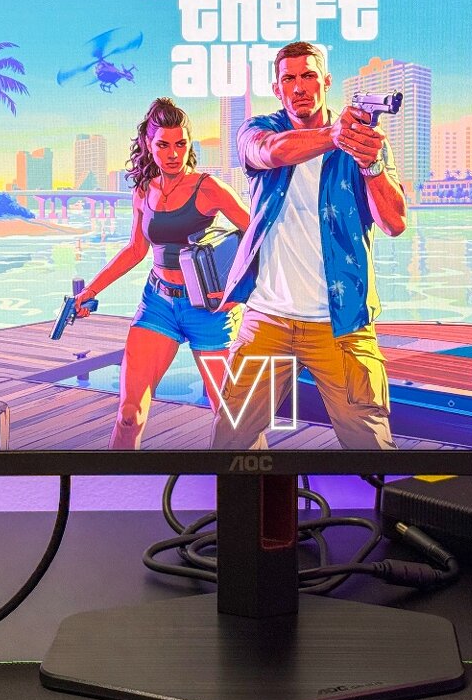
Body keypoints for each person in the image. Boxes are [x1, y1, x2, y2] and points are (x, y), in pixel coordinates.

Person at [210, 42, 407, 450]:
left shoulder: (365, 141)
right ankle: (258, 495)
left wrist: (370, 163)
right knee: (229, 445)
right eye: (289, 78)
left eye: (308, 75)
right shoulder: (258, 129)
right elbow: (269, 151)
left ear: (326, 82)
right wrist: (335, 136)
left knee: (373, 450)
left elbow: (394, 223)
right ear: (277, 88)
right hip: (267, 319)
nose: (299, 86)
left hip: (343, 323)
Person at [74, 97, 250, 449]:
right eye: (163, 145)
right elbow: (135, 250)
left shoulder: (209, 188)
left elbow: (258, 237)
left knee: (231, 419)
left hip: (209, 313)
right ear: (148, 144)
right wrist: (90, 291)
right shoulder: (144, 190)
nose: (173, 154)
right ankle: (118, 482)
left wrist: (238, 293)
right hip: (158, 305)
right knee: (128, 415)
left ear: (189, 144)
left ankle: (258, 483)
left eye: (180, 144)